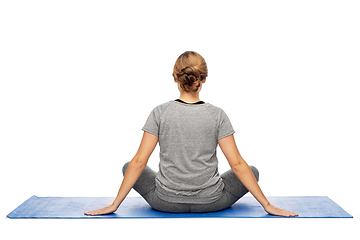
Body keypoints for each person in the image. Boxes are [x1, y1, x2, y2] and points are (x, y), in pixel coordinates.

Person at [85, 51, 298, 217]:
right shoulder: (217, 115)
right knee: (252, 171)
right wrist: (267, 205)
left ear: (175, 78)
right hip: (211, 202)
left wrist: (115, 204)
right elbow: (237, 165)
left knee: (128, 166)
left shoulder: (160, 112)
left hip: (165, 202)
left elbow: (139, 162)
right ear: (203, 79)